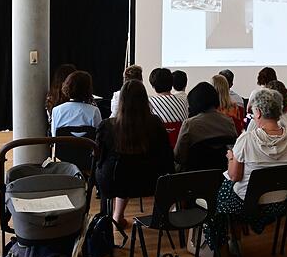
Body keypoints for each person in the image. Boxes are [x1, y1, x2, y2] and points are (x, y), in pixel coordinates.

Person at [204, 88, 287, 250]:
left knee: (223, 192)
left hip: (248, 205)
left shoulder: (246, 139)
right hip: (282, 203)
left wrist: (230, 157)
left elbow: (234, 175)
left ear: (257, 113)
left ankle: (227, 243)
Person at [96, 80, 174, 227]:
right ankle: (122, 216)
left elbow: (100, 158)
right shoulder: (155, 123)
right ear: (145, 99)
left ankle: (112, 220)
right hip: (149, 182)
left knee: (117, 171)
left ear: (121, 101)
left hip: (114, 182)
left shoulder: (107, 126)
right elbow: (166, 155)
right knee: (129, 171)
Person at [174, 82, 237, 168]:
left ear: (193, 102)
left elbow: (179, 157)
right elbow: (234, 149)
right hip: (221, 173)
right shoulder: (228, 122)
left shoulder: (189, 124)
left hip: (194, 175)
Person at [51, 70, 102, 136]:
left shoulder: (56, 110)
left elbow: (54, 137)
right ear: (88, 89)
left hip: (64, 146)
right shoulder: (94, 111)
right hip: (87, 146)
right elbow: (99, 136)